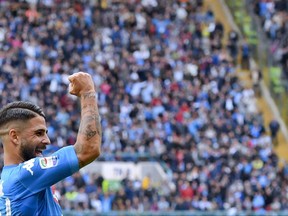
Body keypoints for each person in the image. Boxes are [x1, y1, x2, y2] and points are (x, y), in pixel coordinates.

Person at [0, 72, 102, 215]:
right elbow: (88, 149)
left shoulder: (11, 179)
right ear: (15, 136)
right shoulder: (27, 174)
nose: (47, 140)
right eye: (39, 133)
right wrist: (88, 92)